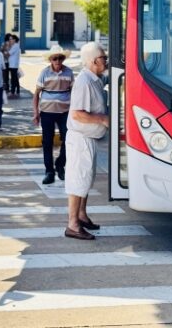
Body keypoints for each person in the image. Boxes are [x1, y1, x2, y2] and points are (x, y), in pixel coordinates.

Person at [64, 42, 109, 241]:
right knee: (78, 180)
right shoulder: (84, 82)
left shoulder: (95, 79)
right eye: (103, 58)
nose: (105, 61)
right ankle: (72, 224)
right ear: (93, 61)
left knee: (86, 180)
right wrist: (102, 119)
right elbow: (77, 114)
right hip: (80, 139)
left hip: (89, 139)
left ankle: (81, 215)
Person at [33, 46, 74, 185]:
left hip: (65, 112)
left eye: (60, 58)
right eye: (55, 58)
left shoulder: (69, 72)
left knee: (69, 139)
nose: (58, 61)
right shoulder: (44, 73)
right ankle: (49, 171)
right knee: (47, 142)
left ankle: (60, 164)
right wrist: (36, 113)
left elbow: (74, 92)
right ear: (50, 59)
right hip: (47, 112)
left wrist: (75, 111)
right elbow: (36, 93)